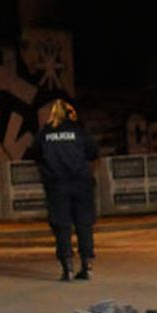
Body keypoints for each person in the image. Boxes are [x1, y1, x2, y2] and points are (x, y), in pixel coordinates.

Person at [31, 99, 100, 281]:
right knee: (84, 224)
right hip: (81, 184)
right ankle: (86, 266)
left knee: (62, 226)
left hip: (56, 185)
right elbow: (93, 153)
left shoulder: (44, 134)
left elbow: (35, 155)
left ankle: (67, 268)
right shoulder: (79, 132)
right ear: (71, 113)